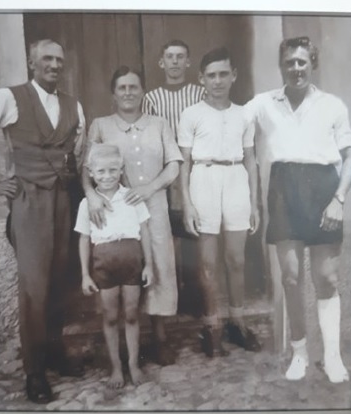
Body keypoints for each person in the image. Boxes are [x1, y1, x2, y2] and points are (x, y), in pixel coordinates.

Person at [0, 39, 86, 403]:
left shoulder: (74, 105)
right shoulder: (9, 98)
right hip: (29, 201)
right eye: (46, 58)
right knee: (35, 285)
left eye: (59, 59)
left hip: (63, 200)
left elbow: (78, 149)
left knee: (60, 278)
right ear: (32, 63)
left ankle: (54, 351)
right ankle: (34, 371)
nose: (54, 65)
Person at [245, 36, 351, 383]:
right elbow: (230, 121)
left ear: (312, 64)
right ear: (281, 66)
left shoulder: (332, 105)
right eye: (289, 62)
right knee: (291, 277)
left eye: (301, 62)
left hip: (323, 189)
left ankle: (332, 357)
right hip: (284, 189)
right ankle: (300, 353)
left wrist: (339, 199)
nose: (295, 68)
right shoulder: (263, 103)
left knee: (327, 278)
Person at [83, 66, 183, 366]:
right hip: (117, 211)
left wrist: (150, 187)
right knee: (123, 266)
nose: (128, 93)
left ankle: (160, 337)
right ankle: (123, 345)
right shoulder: (101, 126)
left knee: (159, 265)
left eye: (133, 87)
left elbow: (174, 164)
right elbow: (86, 169)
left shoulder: (159, 124)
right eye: (122, 88)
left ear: (143, 92)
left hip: (154, 206)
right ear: (113, 94)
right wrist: (91, 196)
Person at [178, 47, 261, 357]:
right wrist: (187, 204)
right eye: (211, 75)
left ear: (233, 76)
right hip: (204, 178)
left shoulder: (244, 114)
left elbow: (251, 160)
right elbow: (184, 163)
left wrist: (255, 203)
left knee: (236, 259)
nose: (217, 81)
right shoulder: (191, 114)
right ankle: (212, 325)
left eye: (223, 74)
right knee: (208, 263)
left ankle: (237, 322)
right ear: (201, 78)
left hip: (236, 178)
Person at [75, 144, 153, 388]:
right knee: (109, 317)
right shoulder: (87, 204)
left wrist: (149, 265)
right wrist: (85, 275)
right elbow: (84, 239)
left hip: (131, 263)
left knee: (131, 314)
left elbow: (145, 231)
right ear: (91, 173)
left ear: (121, 170)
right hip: (104, 266)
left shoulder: (131, 197)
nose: (107, 176)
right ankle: (116, 367)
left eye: (112, 170)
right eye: (101, 171)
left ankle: (133, 364)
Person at [142, 39, 206, 316]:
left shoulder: (200, 92)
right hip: (165, 171)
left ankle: (194, 296)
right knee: (167, 235)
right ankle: (170, 299)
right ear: (162, 62)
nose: (175, 62)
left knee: (194, 233)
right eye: (170, 57)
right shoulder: (152, 98)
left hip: (195, 170)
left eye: (180, 57)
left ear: (188, 62)